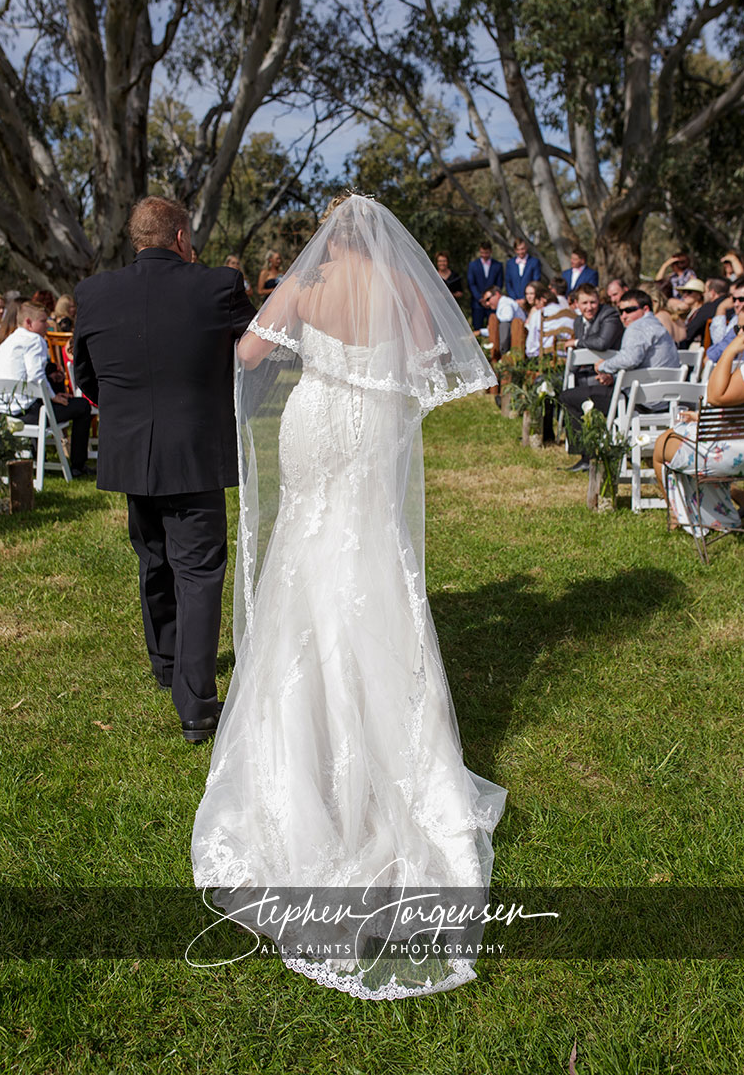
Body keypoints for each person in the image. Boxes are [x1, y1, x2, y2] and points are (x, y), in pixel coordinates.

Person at [191, 192, 507, 999]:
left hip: (314, 418)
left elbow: (250, 360)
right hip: (369, 428)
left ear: (329, 236)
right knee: (370, 559)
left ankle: (307, 764)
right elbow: (437, 357)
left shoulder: (302, 288)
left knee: (304, 557)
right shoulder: (404, 289)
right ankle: (387, 751)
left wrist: (305, 339)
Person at [72, 196, 255, 742]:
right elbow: (257, 352)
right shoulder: (219, 286)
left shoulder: (94, 292)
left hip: (132, 454)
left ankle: (167, 665)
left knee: (153, 558)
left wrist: (130, 418)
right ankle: (196, 706)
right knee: (198, 572)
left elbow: (85, 375)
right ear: (180, 238)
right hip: (196, 452)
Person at [654, 311, 744, 534]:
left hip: (733, 457)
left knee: (662, 444)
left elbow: (715, 396)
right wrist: (704, 417)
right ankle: (733, 505)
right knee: (685, 434)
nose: (738, 334)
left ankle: (676, 514)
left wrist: (729, 351)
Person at [559, 288, 679, 470]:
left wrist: (603, 366)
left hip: (637, 403)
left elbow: (630, 359)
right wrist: (614, 377)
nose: (624, 316)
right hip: (663, 402)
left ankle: (586, 457)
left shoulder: (637, 328)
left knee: (568, 397)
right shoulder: (659, 327)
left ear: (645, 309)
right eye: (621, 311)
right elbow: (641, 365)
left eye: (629, 310)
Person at [0, 300, 92, 474]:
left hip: (2, 414)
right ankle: (77, 465)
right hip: (26, 414)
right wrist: (53, 396)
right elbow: (36, 377)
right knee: (83, 406)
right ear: (29, 322)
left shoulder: (8, 341)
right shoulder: (35, 340)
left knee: (51, 398)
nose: (48, 326)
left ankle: (40, 457)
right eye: (43, 321)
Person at [565, 285, 623, 381]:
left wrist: (576, 342)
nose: (589, 307)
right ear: (576, 303)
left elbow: (602, 343)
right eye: (584, 303)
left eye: (593, 302)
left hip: (606, 373)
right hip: (584, 370)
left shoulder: (609, 315)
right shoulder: (578, 321)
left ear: (598, 301)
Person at [706, 276, 744, 363]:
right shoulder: (738, 323)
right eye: (734, 299)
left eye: (742, 299)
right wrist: (721, 308)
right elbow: (712, 356)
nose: (736, 304)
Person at [481, 284, 526, 358]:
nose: (487, 303)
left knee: (504, 324)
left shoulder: (505, 303)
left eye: (488, 299)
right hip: (515, 336)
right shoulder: (502, 304)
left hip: (520, 337)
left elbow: (507, 318)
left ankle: (504, 354)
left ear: (497, 294)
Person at [466, 240, 502, 329]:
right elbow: (471, 284)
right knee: (477, 328)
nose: (484, 255)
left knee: (494, 328)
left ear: (490, 252)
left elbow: (499, 284)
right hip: (477, 303)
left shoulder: (498, 265)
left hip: (493, 304)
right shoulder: (473, 265)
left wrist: (490, 299)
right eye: (482, 252)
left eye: (486, 253)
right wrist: (480, 299)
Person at [504, 237, 542, 304]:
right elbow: (508, 283)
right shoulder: (510, 263)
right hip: (514, 301)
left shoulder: (534, 262)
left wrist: (526, 298)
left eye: (522, 249)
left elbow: (536, 282)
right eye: (518, 250)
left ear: (526, 248)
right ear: (515, 250)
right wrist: (514, 299)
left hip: (529, 301)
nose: (520, 252)